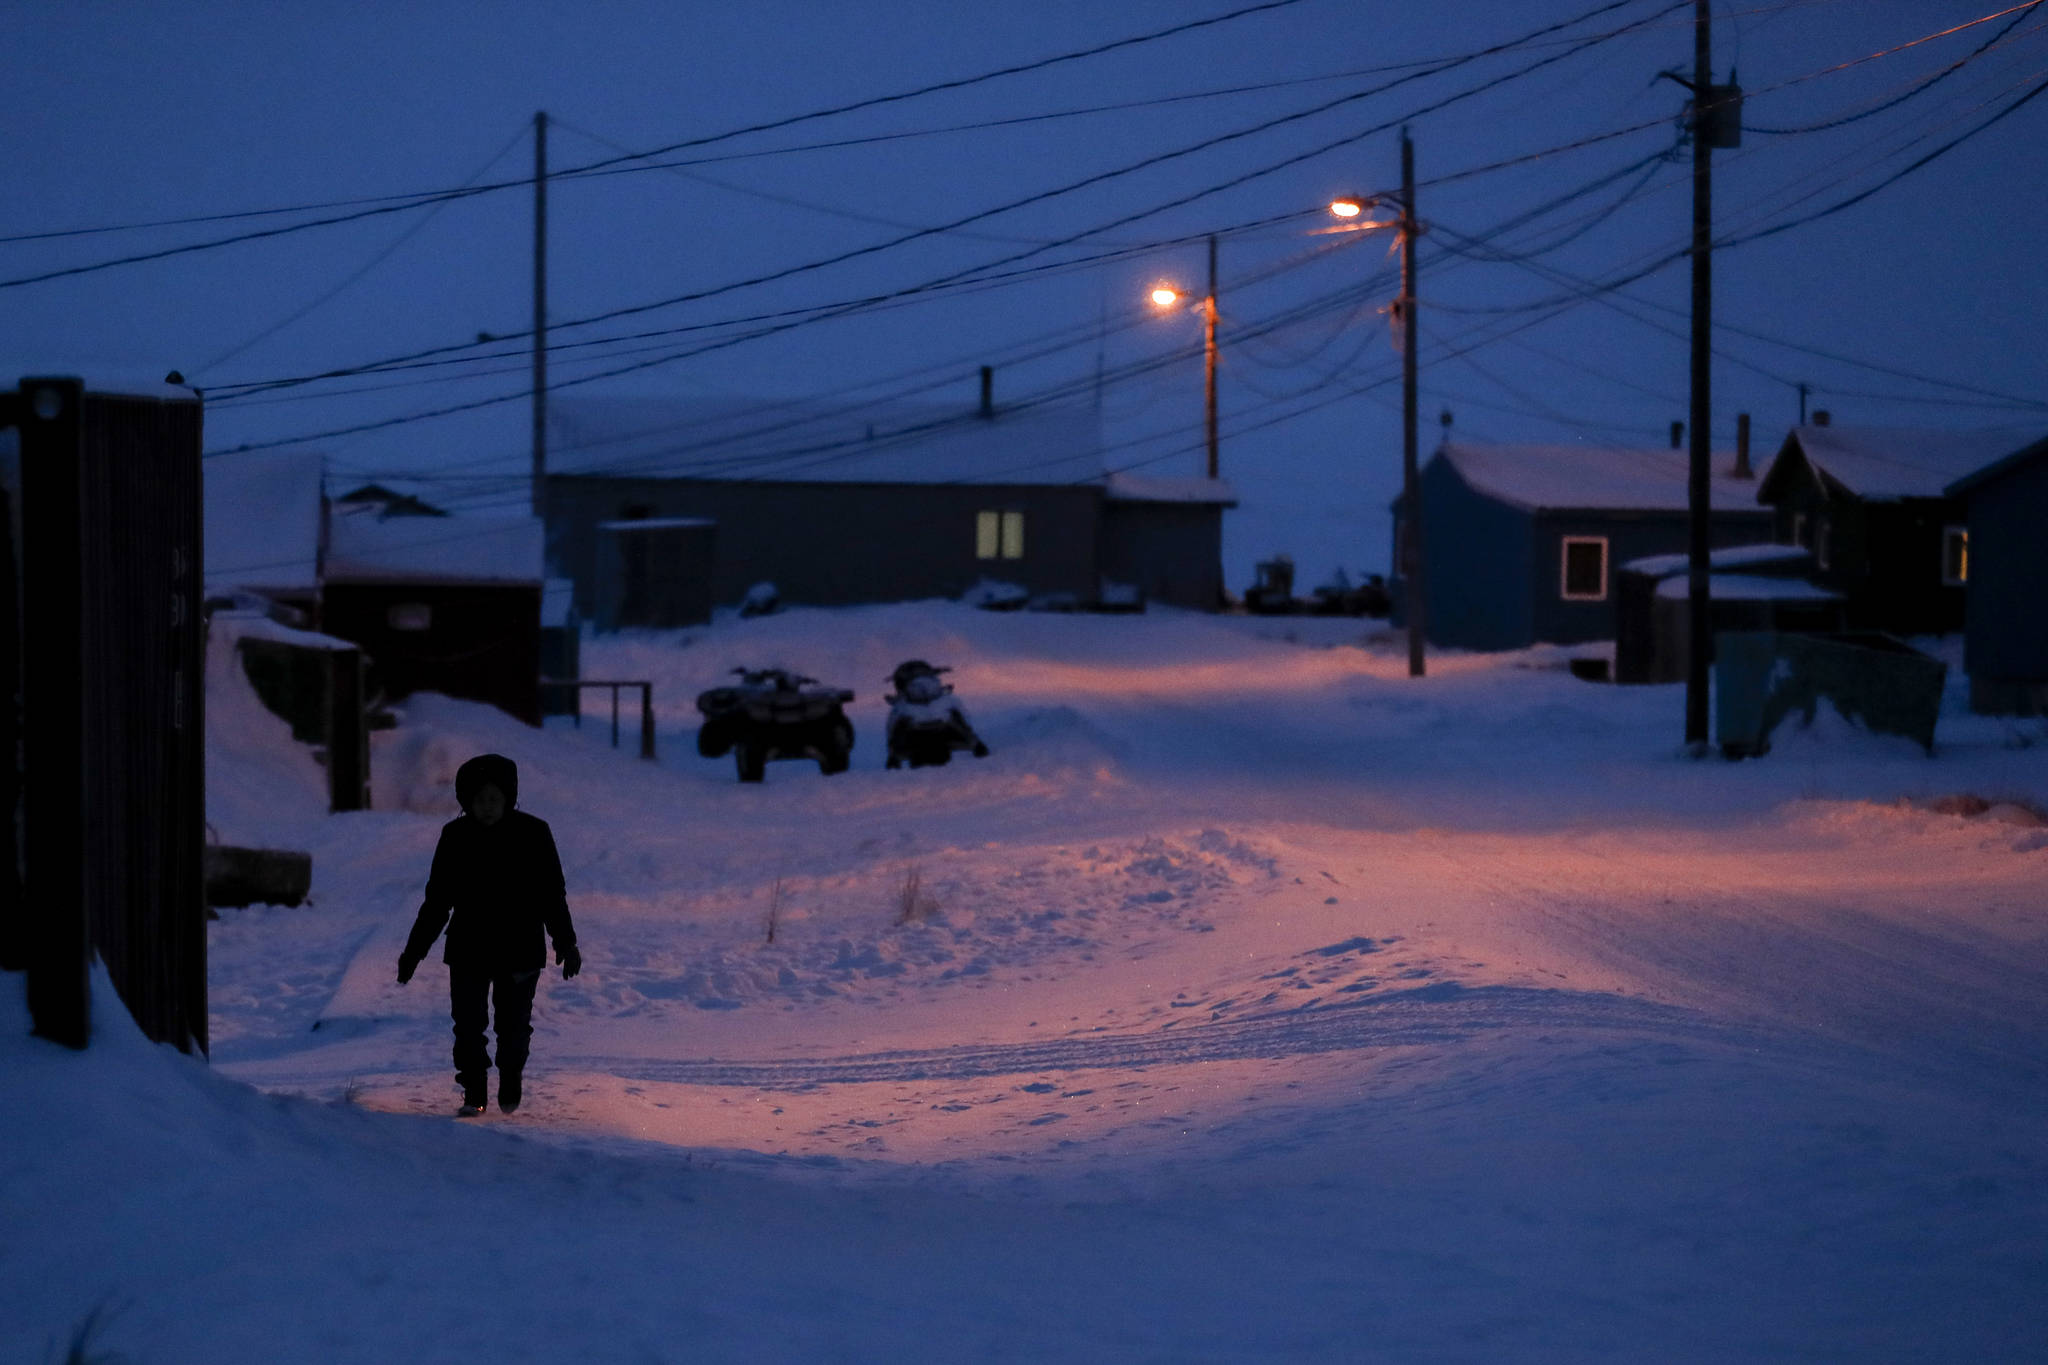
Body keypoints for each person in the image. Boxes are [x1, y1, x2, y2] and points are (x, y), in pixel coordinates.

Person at [397, 753, 581, 1116]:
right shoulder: (455, 837)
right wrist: (413, 952)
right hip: (469, 948)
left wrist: (566, 942)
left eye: (494, 799)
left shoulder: (533, 833)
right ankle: (474, 1091)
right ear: (467, 803)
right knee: (467, 1025)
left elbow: (551, 895)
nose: (487, 808)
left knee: (512, 1026)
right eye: (479, 800)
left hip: (521, 949)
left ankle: (511, 1073)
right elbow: (437, 902)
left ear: (508, 799)